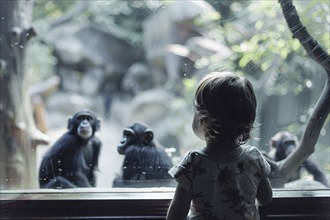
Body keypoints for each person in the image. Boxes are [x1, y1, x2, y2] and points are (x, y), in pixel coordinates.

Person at [166, 72, 272, 220]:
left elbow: (177, 210)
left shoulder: (193, 163)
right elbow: (266, 198)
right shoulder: (254, 159)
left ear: (202, 120)